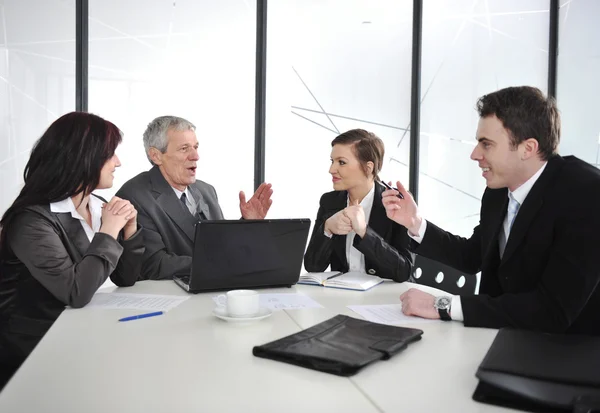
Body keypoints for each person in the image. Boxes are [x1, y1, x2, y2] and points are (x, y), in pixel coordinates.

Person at [382, 86, 600, 335]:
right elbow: (473, 255)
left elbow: (553, 310)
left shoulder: (587, 193)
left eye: (486, 144)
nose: (475, 154)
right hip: (504, 339)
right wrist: (415, 222)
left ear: (527, 148)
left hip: (569, 354)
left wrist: (443, 306)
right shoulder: (498, 191)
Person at [0, 112, 144, 388]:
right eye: (110, 154)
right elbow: (76, 292)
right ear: (84, 157)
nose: (118, 162)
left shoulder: (96, 204)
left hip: (84, 331)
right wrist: (109, 230)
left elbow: (125, 279)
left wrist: (130, 230)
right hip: (33, 349)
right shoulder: (31, 220)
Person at [116, 116, 273, 280]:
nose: (195, 156)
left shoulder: (206, 190)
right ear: (156, 156)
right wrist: (216, 263)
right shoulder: (135, 195)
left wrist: (248, 224)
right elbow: (154, 264)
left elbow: (222, 247)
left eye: (195, 147)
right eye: (184, 149)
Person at [304, 129, 413, 282]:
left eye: (341, 162)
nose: (331, 170)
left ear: (368, 168)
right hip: (342, 297)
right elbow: (313, 267)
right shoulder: (329, 201)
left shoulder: (395, 203)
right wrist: (327, 229)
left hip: (386, 299)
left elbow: (403, 272)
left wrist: (364, 232)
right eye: (332, 161)